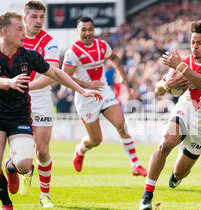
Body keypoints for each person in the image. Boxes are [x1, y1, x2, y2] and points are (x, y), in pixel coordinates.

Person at [0, 11, 102, 210]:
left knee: (24, 164)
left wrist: (82, 90)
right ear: (5, 32)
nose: (24, 32)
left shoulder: (28, 55)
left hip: (19, 115)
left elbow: (56, 73)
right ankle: (6, 204)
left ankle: (12, 166)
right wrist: (8, 82)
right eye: (19, 29)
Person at [0, 1, 63, 208]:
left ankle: (44, 195)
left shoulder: (50, 42)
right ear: (24, 19)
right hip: (13, 95)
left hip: (38, 95)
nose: (38, 21)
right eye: (34, 17)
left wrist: (25, 87)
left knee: (42, 151)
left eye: (41, 17)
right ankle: (13, 167)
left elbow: (52, 74)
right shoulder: (14, 37)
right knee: (14, 160)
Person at [138, 20, 201, 210]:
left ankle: (177, 175)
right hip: (184, 111)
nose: (195, 47)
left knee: (181, 172)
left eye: (200, 43)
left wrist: (181, 68)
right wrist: (166, 86)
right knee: (165, 143)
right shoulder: (184, 63)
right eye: (192, 42)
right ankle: (147, 195)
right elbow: (158, 89)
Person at [62, 16, 147, 177]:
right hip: (85, 98)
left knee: (121, 125)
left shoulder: (102, 45)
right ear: (77, 31)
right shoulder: (72, 52)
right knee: (96, 140)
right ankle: (80, 149)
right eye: (84, 29)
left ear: (94, 30)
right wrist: (87, 85)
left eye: (90, 29)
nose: (87, 33)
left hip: (104, 93)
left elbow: (114, 59)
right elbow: (65, 77)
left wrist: (122, 76)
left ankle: (135, 165)